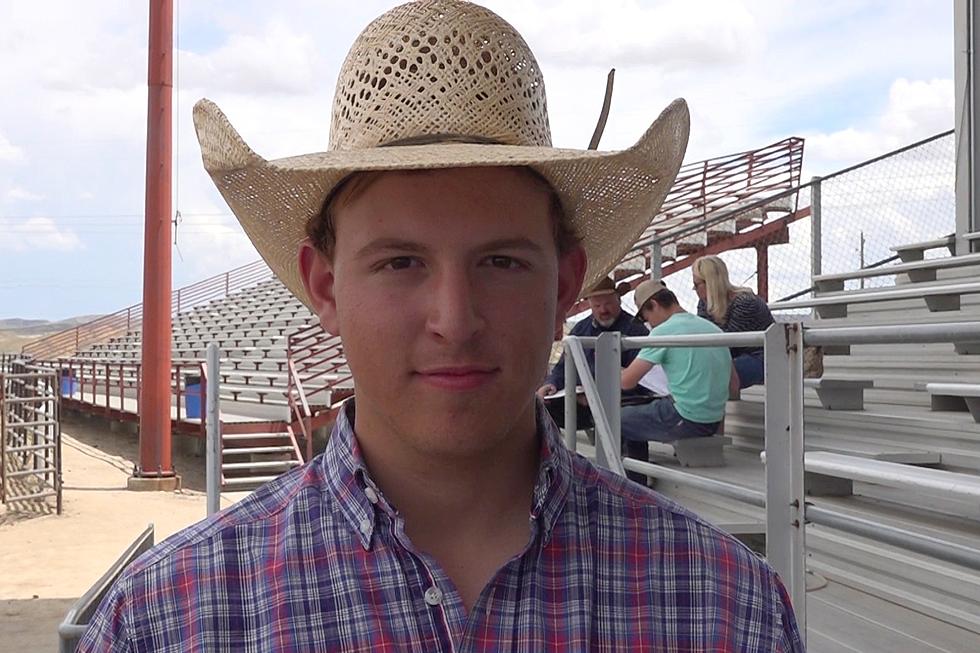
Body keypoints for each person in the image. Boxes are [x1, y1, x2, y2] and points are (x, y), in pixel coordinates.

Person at [79, 1, 803, 650]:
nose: (454, 322)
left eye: (501, 261)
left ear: (564, 285)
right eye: (400, 263)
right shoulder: (163, 620)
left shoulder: (727, 607)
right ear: (325, 287)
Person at [619, 280, 732, 482]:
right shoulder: (712, 328)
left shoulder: (663, 331)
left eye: (647, 318)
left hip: (686, 418)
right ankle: (636, 475)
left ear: (653, 305)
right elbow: (734, 385)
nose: (649, 324)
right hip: (714, 420)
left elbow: (626, 382)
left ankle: (633, 483)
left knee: (614, 417)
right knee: (641, 414)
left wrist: (610, 373)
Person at [536, 275, 653, 429]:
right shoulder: (580, 329)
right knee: (542, 406)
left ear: (618, 300)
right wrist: (551, 383)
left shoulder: (636, 330)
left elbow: (644, 381)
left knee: (626, 414)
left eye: (608, 304)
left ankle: (633, 453)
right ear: (590, 305)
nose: (603, 310)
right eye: (597, 306)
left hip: (621, 400)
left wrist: (597, 394)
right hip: (583, 400)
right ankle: (556, 450)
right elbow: (563, 366)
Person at [693, 254, 775, 390]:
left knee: (709, 373)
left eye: (696, 285)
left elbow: (728, 344)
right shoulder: (704, 303)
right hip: (736, 355)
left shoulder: (745, 302)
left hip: (764, 356)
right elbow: (705, 337)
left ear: (710, 282)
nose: (695, 290)